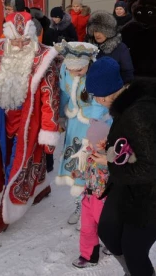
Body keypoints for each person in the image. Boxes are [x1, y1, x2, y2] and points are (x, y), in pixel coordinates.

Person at [87, 57, 156, 276]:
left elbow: (152, 166)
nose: (95, 100)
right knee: (108, 231)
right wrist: (112, 148)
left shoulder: (138, 114)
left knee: (133, 249)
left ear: (105, 92)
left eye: (95, 95)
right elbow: (136, 145)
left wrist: (110, 162)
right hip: (130, 186)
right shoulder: (127, 108)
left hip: (154, 196)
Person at [0, 12, 61, 234]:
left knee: (18, 162)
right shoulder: (1, 50)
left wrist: (49, 131)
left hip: (29, 120)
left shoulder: (43, 59)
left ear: (31, 37)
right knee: (4, 156)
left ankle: (5, 213)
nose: (19, 44)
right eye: (15, 40)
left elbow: (50, 99)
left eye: (24, 40)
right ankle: (41, 187)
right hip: (3, 117)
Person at [54, 41, 106, 229]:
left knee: (91, 165)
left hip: (94, 125)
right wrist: (60, 116)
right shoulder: (65, 71)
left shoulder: (96, 74)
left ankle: (95, 208)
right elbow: (64, 95)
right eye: (72, 69)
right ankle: (80, 206)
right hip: (74, 124)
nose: (75, 72)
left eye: (79, 69)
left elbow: (102, 101)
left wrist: (96, 125)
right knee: (75, 164)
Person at [71, 118, 112, 269]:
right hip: (87, 197)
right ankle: (89, 255)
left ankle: (114, 246)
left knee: (106, 227)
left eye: (90, 140)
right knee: (87, 228)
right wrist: (80, 174)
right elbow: (90, 174)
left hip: (102, 200)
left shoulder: (110, 160)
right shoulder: (90, 156)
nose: (87, 143)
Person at [86, 11, 134, 83]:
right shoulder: (89, 47)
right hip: (91, 89)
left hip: (112, 91)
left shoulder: (120, 48)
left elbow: (127, 74)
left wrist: (116, 88)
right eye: (95, 31)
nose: (97, 35)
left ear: (109, 32)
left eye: (101, 31)